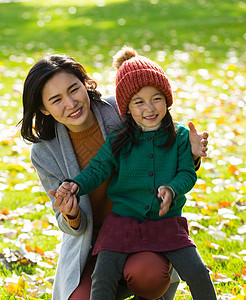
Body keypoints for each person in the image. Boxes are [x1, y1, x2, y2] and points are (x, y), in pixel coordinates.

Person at [19, 50, 209, 300]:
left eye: (74, 90)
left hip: (147, 225)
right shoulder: (45, 152)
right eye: (56, 100)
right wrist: (71, 210)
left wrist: (193, 156)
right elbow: (74, 211)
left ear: (86, 85)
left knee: (149, 275)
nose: (71, 103)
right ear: (43, 109)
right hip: (97, 240)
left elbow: (166, 140)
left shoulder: (122, 110)